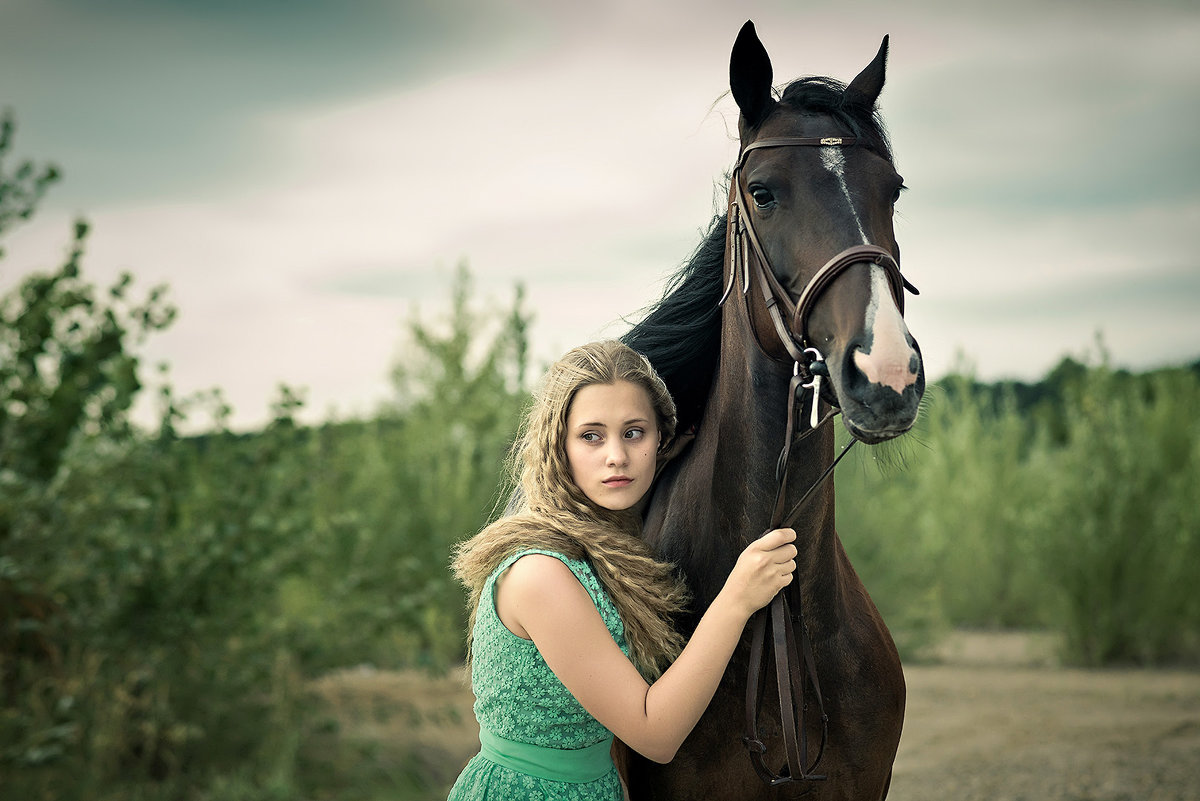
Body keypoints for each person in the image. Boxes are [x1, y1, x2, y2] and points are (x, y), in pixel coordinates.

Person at [448, 340, 796, 800]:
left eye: (634, 433)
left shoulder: (600, 543)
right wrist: (736, 599)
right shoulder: (541, 572)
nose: (616, 456)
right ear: (559, 446)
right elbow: (654, 734)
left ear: (660, 442)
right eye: (591, 436)